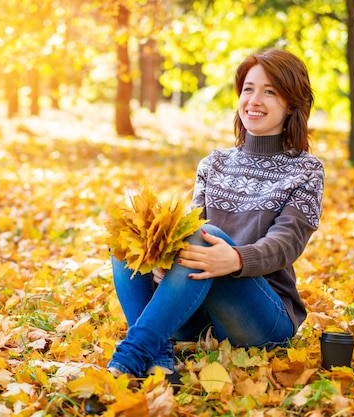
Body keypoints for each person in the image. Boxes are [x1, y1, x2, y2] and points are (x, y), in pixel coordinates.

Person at [106, 49, 324, 382]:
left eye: (270, 91)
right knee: (131, 236)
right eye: (249, 88)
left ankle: (133, 354)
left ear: (292, 104)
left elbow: (286, 244)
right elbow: (188, 230)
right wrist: (166, 260)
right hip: (194, 311)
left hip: (261, 318)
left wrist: (236, 259)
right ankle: (160, 359)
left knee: (206, 237)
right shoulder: (214, 163)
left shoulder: (306, 170)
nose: (254, 99)